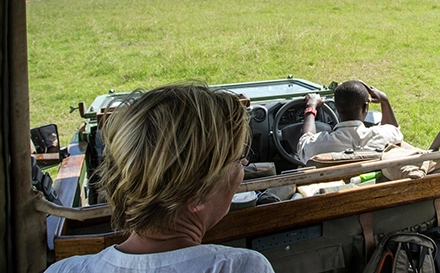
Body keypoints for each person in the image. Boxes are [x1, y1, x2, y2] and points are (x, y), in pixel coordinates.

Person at [46, 84, 274, 273]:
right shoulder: (241, 268)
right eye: (239, 159)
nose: (243, 167)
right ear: (196, 193)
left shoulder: (62, 270)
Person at [298, 80, 403, 163]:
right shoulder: (383, 136)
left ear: (336, 107)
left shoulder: (320, 145)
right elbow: (393, 130)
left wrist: (310, 107)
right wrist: (385, 102)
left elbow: (303, 143)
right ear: (365, 107)